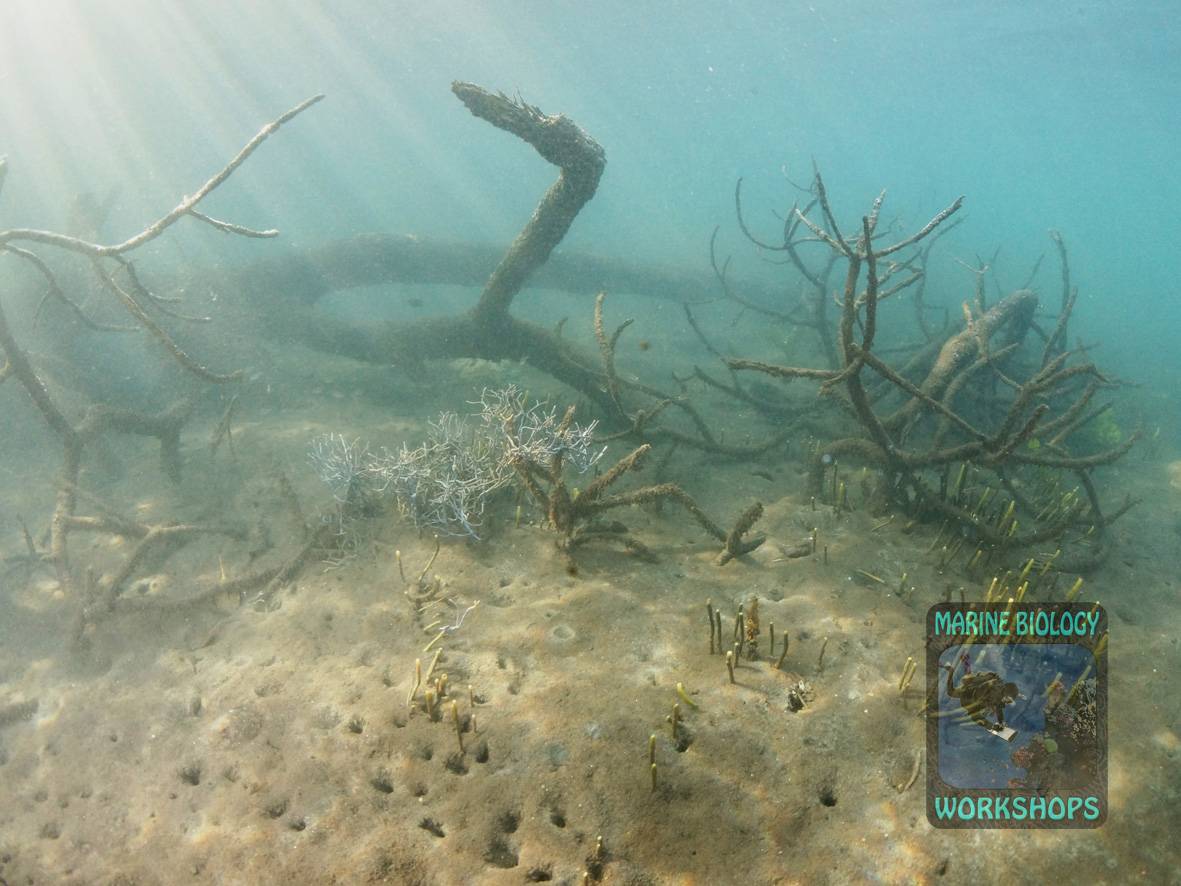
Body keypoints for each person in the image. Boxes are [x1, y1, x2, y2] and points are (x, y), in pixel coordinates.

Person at [942, 663, 1019, 732]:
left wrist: (1001, 721)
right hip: (970, 693)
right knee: (951, 693)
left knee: (978, 714)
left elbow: (999, 709)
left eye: (1008, 701)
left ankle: (991, 725)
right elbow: (981, 685)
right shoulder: (993, 685)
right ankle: (951, 671)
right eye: (1008, 699)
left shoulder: (1000, 696)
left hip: (975, 699)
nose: (1006, 702)